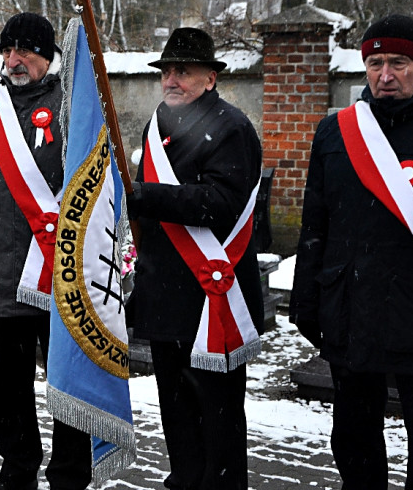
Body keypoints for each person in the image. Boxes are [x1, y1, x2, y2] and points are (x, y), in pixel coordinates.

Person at [291, 14, 413, 490]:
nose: (385, 75)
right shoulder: (335, 133)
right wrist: (307, 304)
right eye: (375, 63)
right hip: (350, 312)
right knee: (352, 442)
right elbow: (316, 226)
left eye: (398, 63)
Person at [0, 12, 92, 490]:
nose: (15, 59)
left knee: (65, 378)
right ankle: (17, 466)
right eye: (8, 50)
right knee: (9, 382)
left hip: (60, 267)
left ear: (47, 57)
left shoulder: (70, 104)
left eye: (26, 51)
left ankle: (71, 471)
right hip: (1, 265)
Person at [124, 27, 264, 490]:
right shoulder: (158, 122)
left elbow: (220, 203)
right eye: (167, 71)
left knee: (218, 422)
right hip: (165, 296)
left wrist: (145, 195)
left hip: (212, 299)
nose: (172, 79)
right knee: (177, 414)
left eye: (183, 71)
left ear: (210, 77)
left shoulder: (231, 127)